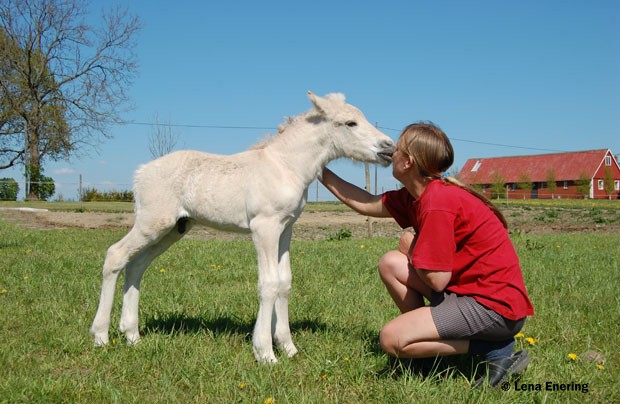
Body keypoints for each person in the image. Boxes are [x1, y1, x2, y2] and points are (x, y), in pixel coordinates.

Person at [320, 122, 534, 387]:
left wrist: (412, 248)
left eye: (397, 148)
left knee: (391, 339)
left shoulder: (437, 203)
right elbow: (366, 202)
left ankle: (495, 349)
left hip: (494, 308)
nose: (391, 151)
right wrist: (320, 171)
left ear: (408, 162)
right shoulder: (416, 196)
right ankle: (428, 353)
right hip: (470, 293)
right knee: (390, 263)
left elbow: (437, 280)